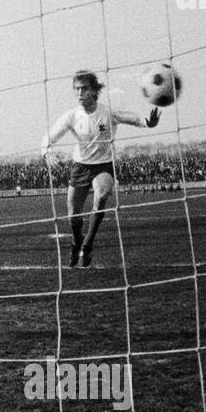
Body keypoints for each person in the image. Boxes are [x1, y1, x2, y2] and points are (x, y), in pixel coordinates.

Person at [41, 70, 160, 268]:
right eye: (77, 89)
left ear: (94, 90)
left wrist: (148, 122)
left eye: (84, 88)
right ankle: (76, 242)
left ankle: (87, 247)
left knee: (102, 194)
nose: (80, 93)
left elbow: (131, 118)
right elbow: (49, 136)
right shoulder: (71, 116)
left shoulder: (107, 112)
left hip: (103, 166)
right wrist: (47, 152)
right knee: (73, 215)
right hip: (80, 167)